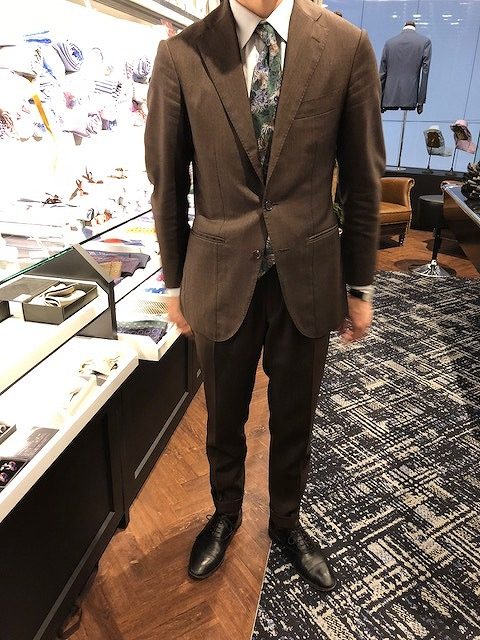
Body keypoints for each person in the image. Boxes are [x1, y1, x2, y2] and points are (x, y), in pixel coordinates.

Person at [145, 0, 385, 591]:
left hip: (308, 273)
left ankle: (286, 522)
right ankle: (225, 513)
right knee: (223, 414)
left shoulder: (347, 46)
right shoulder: (180, 55)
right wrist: (173, 284)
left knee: (296, 414)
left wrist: (359, 286)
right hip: (219, 272)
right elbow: (168, 183)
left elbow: (362, 179)